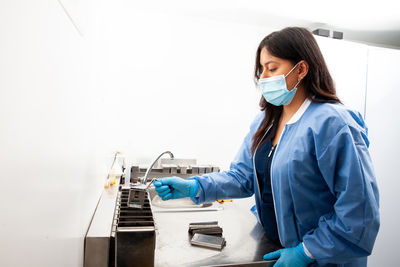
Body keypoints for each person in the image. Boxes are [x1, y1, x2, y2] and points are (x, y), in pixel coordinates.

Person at [154, 27, 380, 267]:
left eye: (272, 68)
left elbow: (359, 212)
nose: (263, 78)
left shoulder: (333, 124)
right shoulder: (265, 122)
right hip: (277, 249)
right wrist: (195, 187)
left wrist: (306, 252)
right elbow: (242, 177)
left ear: (301, 69)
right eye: (261, 70)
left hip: (324, 259)